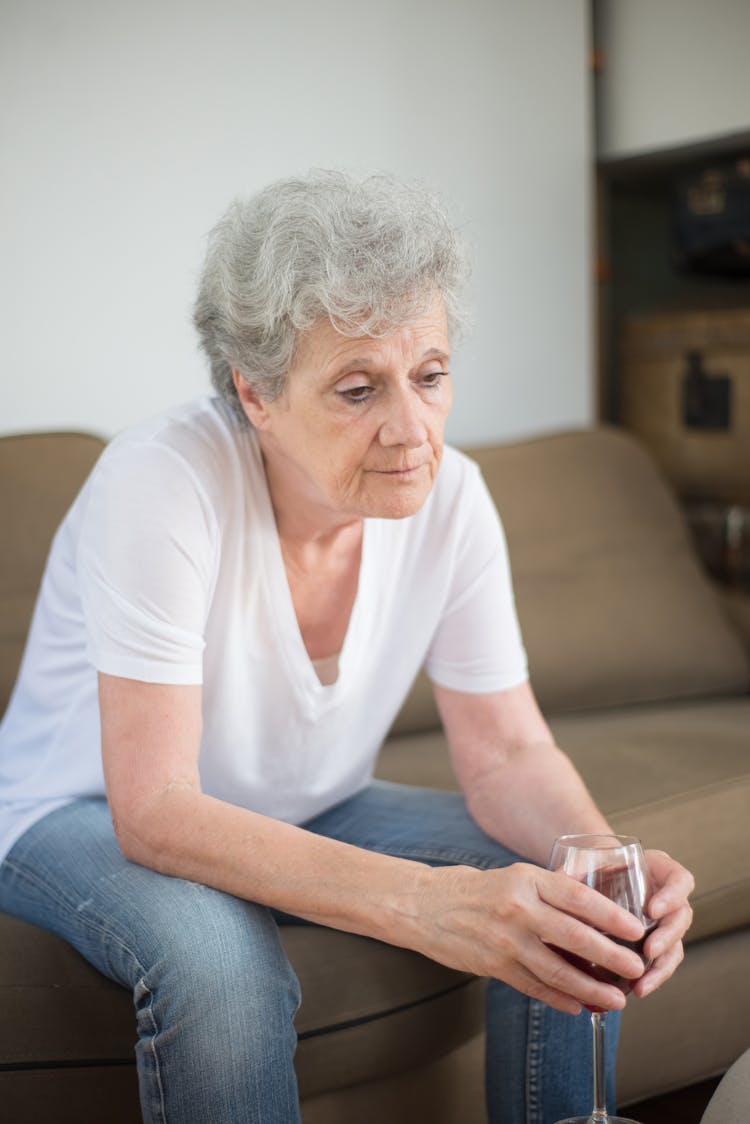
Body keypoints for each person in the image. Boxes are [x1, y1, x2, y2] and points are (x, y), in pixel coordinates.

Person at [0, 170, 693, 1123]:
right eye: (359, 388)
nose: (412, 430)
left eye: (431, 375)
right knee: (222, 964)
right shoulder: (158, 486)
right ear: (257, 393)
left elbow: (510, 751)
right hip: (71, 809)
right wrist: (427, 904)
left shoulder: (454, 500)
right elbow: (156, 810)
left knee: (570, 900)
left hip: (306, 805)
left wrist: (605, 861)